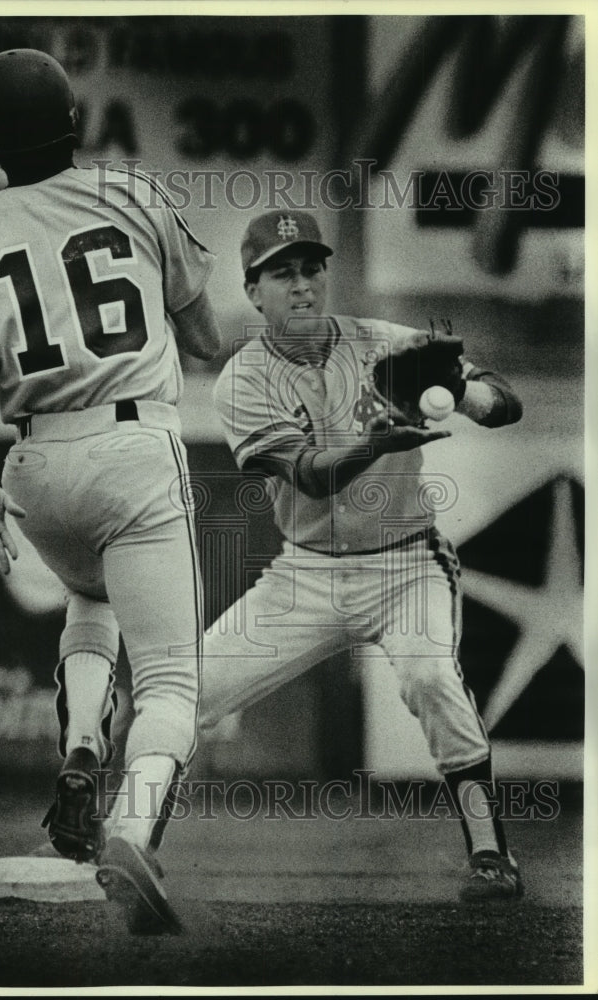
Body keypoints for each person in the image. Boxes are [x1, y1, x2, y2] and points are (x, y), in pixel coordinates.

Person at [0, 48, 221, 934]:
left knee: (89, 597)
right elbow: (201, 335)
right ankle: (129, 827)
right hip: (132, 446)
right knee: (169, 684)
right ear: (75, 124)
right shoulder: (133, 193)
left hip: (33, 466)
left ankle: (83, 742)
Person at [198, 209, 524, 902]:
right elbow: (309, 474)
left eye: (311, 267)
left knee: (430, 676)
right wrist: (375, 444)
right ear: (252, 290)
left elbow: (506, 403)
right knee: (188, 689)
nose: (302, 284)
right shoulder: (243, 380)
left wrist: (462, 393)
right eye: (281, 272)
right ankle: (122, 842)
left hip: (406, 565)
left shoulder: (385, 344)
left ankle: (491, 856)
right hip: (305, 573)